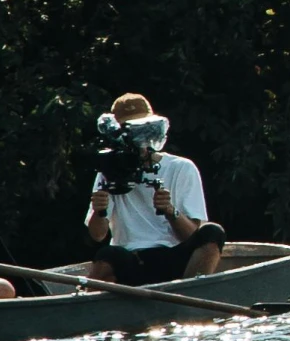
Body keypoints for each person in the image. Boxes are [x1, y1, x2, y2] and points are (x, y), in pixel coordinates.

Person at [82, 93, 227, 284]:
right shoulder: (109, 170)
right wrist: (99, 211)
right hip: (133, 260)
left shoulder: (181, 167)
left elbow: (190, 235)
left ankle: (191, 291)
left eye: (142, 131)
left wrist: (170, 211)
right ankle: (87, 306)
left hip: (174, 259)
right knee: (107, 254)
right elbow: (98, 235)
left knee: (212, 232)